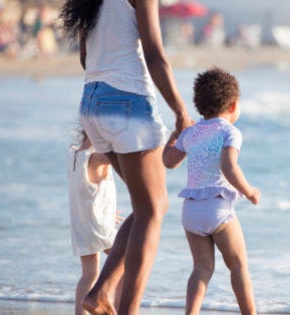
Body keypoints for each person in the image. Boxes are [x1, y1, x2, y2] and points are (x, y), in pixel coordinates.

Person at [58, 0, 193, 313]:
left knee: (148, 206)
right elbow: (155, 55)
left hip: (91, 103)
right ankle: (121, 305)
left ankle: (101, 292)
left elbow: (84, 57)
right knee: (153, 209)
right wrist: (181, 112)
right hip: (128, 102)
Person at [163, 67, 260, 315]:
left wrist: (177, 133)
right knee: (238, 266)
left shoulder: (191, 132)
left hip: (191, 211)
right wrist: (248, 191)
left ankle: (191, 313)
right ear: (232, 105)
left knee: (201, 269)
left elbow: (169, 161)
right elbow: (229, 166)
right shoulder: (230, 132)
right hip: (217, 209)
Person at [68, 130, 123, 315]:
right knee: (125, 263)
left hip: (82, 223)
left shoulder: (74, 155)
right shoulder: (97, 157)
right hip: (99, 225)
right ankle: (117, 307)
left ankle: (80, 312)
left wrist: (106, 211)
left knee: (89, 274)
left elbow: (86, 191)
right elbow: (120, 157)